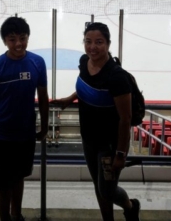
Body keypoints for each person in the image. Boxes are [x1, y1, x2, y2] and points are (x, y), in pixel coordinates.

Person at [52, 22, 141, 221]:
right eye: (88, 41)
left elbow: (125, 119)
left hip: (109, 145)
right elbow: (87, 86)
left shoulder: (116, 77)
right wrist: (70, 98)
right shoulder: (85, 62)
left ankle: (130, 206)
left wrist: (120, 153)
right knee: (98, 186)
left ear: (108, 44)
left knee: (107, 189)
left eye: (99, 42)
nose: (93, 47)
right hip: (88, 139)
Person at [0, 17, 49, 221]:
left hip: (25, 135)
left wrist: (44, 127)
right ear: (4, 41)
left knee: (19, 176)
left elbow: (43, 98)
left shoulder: (37, 63)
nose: (18, 43)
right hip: (1, 136)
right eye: (12, 39)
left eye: (23, 38)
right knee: (3, 184)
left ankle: (16, 214)